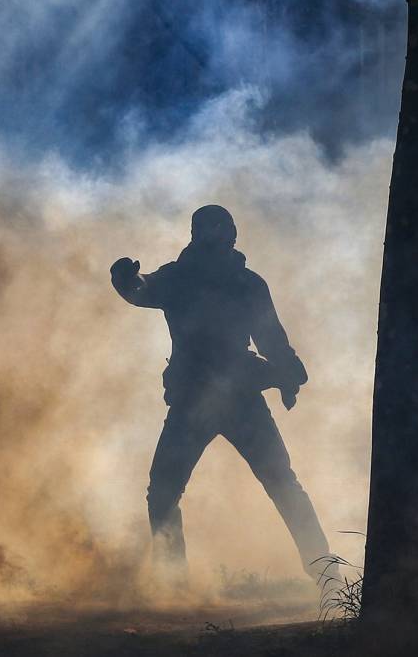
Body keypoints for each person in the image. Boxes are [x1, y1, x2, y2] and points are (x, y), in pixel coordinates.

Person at [110, 204, 330, 577]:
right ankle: (173, 582)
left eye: (221, 230)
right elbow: (141, 288)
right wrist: (125, 279)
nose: (217, 237)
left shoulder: (245, 284)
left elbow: (272, 339)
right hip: (198, 401)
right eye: (210, 230)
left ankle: (325, 573)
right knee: (167, 491)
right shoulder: (180, 278)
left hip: (234, 399)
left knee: (280, 483)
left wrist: (288, 371)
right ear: (198, 235)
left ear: (230, 236)